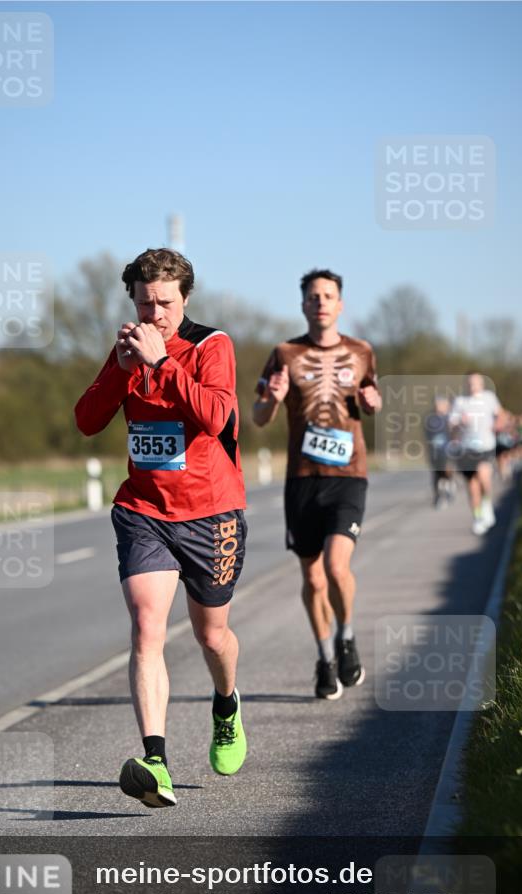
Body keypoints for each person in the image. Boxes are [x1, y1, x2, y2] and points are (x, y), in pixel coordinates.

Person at [75, 248, 247, 808]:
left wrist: (162, 365)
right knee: (147, 627)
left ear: (186, 299)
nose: (156, 315)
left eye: (166, 303)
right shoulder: (126, 349)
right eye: (146, 303)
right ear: (132, 300)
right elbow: (86, 420)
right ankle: (156, 761)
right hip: (145, 511)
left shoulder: (211, 346)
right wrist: (123, 373)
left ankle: (226, 706)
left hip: (212, 512)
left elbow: (215, 416)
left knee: (211, 636)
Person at [253, 268, 382, 700]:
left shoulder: (362, 351)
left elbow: (371, 399)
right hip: (303, 478)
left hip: (348, 476)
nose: (321, 302)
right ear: (303, 304)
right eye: (313, 296)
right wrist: (271, 398)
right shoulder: (284, 353)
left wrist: (372, 402)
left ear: (340, 304)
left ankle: (347, 635)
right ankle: (325, 656)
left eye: (328, 295)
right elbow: (258, 416)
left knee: (336, 566)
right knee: (312, 579)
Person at [449, 372, 502, 536]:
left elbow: (500, 414)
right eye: (470, 383)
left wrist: (496, 426)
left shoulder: (489, 398)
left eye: (476, 383)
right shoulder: (460, 401)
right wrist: (459, 422)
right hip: (467, 449)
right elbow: (451, 425)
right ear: (466, 384)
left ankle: (487, 506)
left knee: (484, 476)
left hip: (485, 445)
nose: (473, 386)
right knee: (472, 486)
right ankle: (478, 518)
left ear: (481, 384)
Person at [424, 396, 456, 508]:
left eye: (442, 404)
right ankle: (438, 496)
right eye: (438, 404)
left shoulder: (450, 418)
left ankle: (449, 487)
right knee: (436, 474)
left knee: (447, 471)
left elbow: (455, 432)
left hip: (447, 451)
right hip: (435, 452)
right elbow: (427, 434)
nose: (439, 406)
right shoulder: (430, 418)